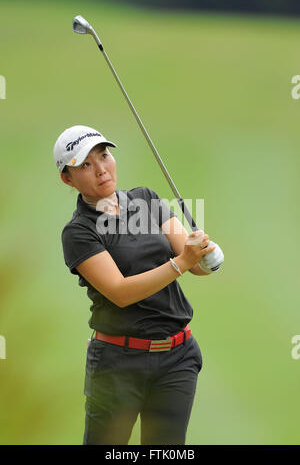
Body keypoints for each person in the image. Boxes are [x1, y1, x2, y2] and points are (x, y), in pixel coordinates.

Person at [53, 124, 224, 445]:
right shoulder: (78, 232)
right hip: (118, 363)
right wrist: (183, 262)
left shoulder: (145, 199)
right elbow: (120, 292)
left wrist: (202, 255)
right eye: (86, 165)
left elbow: (193, 265)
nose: (101, 169)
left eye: (104, 156)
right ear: (68, 178)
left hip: (177, 358)